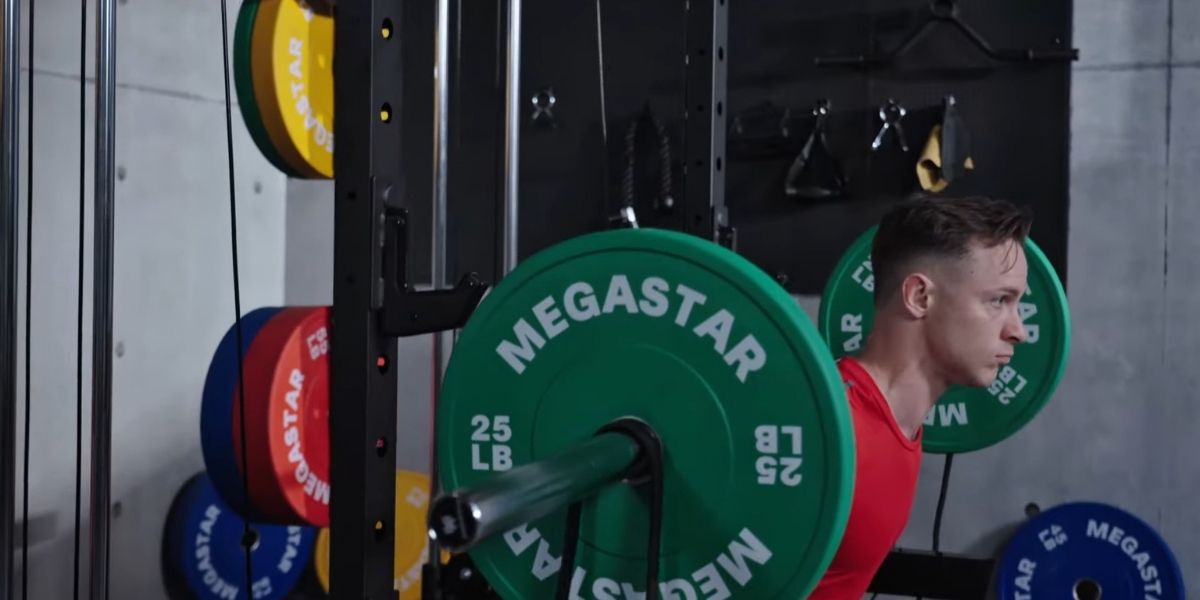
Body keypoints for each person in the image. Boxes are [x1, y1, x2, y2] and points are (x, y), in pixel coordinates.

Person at [808, 195, 1032, 598]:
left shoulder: (899, 424)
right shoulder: (830, 433)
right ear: (920, 297)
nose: (1019, 331)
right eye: (999, 300)